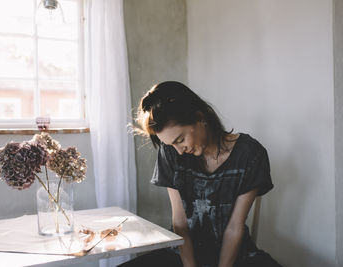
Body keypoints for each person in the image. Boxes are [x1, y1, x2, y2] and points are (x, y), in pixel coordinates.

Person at [119, 81, 282, 267]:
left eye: (180, 139)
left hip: (236, 255)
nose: (179, 150)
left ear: (200, 118)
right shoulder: (170, 153)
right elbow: (180, 222)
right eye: (171, 144)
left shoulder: (250, 154)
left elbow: (235, 226)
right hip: (182, 252)